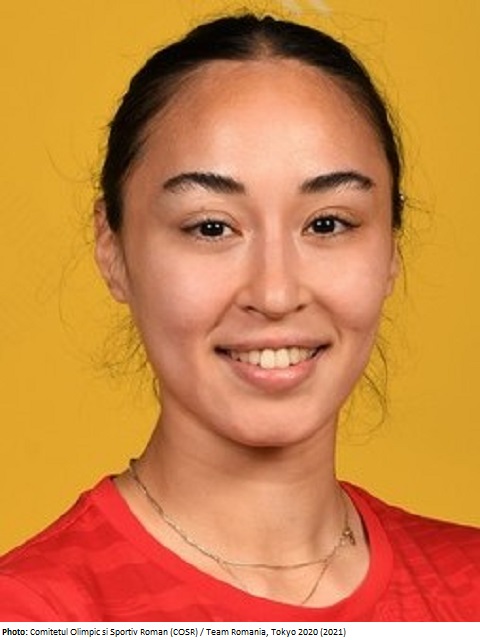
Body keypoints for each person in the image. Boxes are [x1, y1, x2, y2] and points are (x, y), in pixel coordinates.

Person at [0, 13, 478, 622]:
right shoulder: (35, 612)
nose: (275, 294)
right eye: (211, 227)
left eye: (327, 223)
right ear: (112, 249)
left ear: (391, 250)